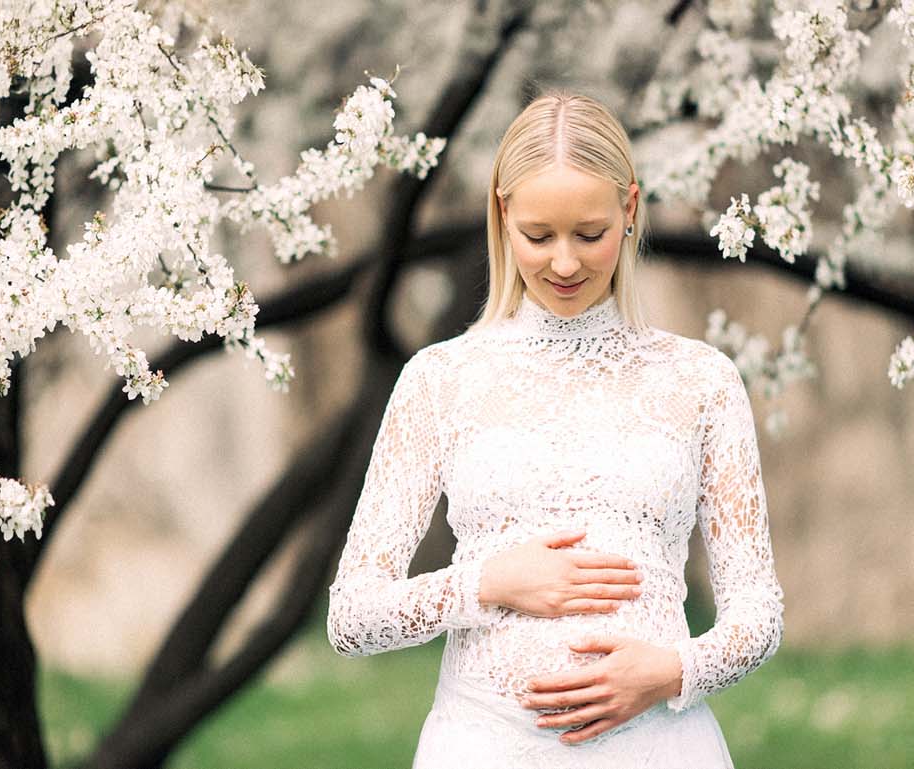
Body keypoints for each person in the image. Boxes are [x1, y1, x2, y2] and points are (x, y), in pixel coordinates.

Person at [326, 89, 785, 769]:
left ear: (629, 211)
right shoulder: (439, 380)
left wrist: (673, 670)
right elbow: (352, 617)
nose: (564, 264)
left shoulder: (702, 381)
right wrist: (486, 582)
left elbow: (758, 610)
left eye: (589, 235)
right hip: (480, 746)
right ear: (502, 216)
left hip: (658, 749)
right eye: (538, 237)